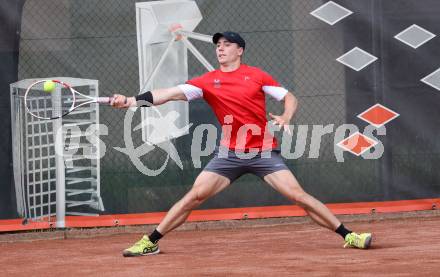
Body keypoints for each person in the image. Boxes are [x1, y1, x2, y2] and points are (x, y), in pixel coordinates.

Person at [111, 31, 372, 257]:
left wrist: (286, 116)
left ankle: (349, 236)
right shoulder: (206, 81)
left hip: (263, 152)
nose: (220, 48)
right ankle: (150, 242)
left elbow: (289, 97)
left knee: (298, 196)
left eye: (226, 44)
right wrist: (132, 101)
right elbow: (167, 94)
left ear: (240, 50)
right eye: (218, 45)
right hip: (229, 154)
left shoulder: (256, 76)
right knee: (194, 197)